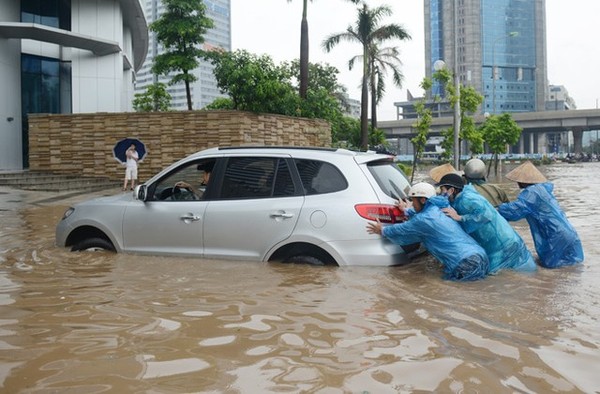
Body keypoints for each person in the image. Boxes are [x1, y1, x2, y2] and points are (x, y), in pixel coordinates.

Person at [366, 182, 490, 281]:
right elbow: (422, 215)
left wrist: (382, 230)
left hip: (464, 262)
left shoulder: (424, 219)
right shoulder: (438, 208)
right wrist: (405, 210)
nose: (412, 204)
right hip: (480, 255)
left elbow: (402, 229)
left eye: (413, 200)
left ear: (423, 200)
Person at [437, 173, 537, 274]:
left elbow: (486, 214)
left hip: (502, 245)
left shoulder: (467, 199)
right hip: (501, 242)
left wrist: (460, 218)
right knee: (516, 274)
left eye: (443, 190)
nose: (441, 193)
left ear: (452, 190)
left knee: (502, 278)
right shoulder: (460, 198)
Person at [497, 161, 584, 269]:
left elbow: (515, 211)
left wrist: (497, 208)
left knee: (551, 274)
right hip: (569, 235)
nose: (517, 182)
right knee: (570, 271)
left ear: (524, 181)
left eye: (518, 180)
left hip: (555, 237)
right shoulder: (543, 190)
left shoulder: (531, 193)